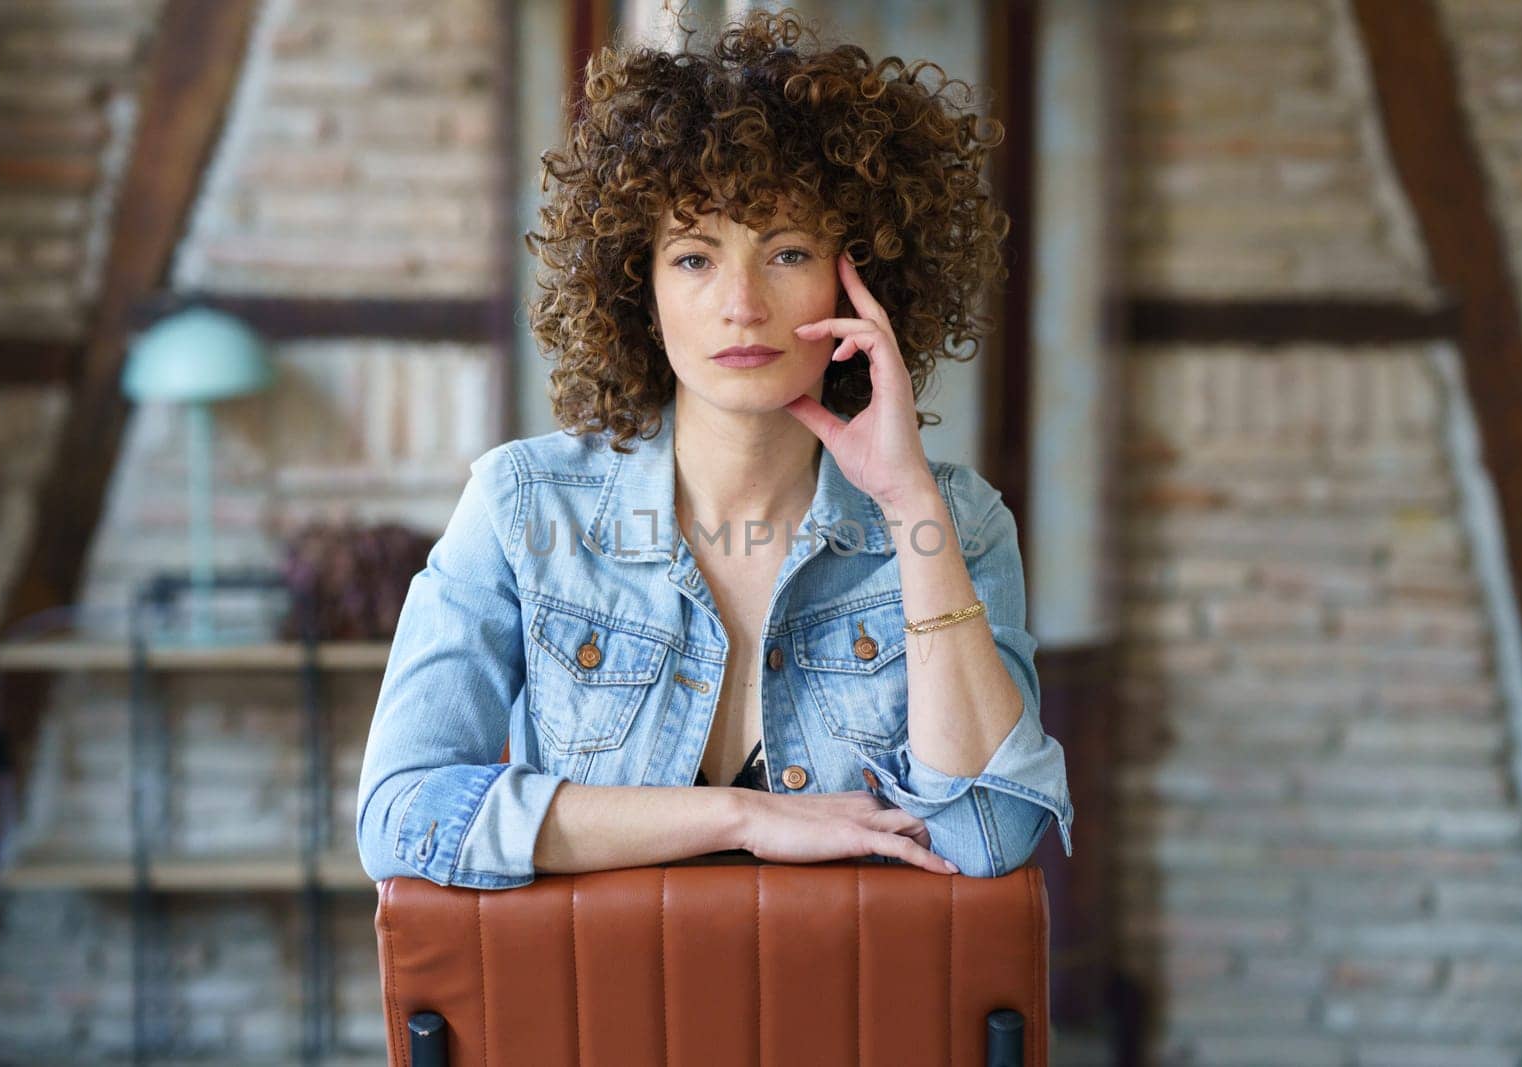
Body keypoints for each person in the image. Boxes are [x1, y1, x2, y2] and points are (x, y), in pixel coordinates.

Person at [355, 8, 1072, 891]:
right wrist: (742, 815)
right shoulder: (521, 507)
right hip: (601, 1017)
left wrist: (910, 504)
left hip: (850, 1021)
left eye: (788, 251)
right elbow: (400, 815)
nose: (741, 302)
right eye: (694, 257)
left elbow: (991, 835)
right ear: (639, 290)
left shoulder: (957, 520)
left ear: (865, 281)